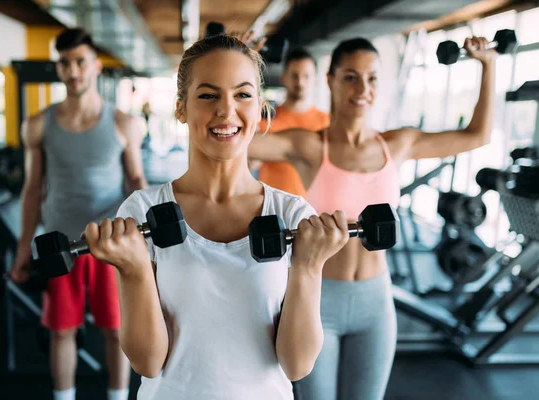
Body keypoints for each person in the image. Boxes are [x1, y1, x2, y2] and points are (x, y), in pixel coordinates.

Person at [81, 34, 351, 399]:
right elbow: (148, 363)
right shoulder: (142, 211)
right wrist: (134, 271)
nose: (226, 111)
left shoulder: (292, 214)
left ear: (260, 110)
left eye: (242, 95)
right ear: (181, 108)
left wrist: (308, 267)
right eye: (208, 95)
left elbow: (297, 365)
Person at [248, 36, 496, 400]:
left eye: (372, 78)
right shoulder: (310, 147)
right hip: (319, 300)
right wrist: (242, 65)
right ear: (330, 80)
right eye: (350, 77)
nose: (362, 88)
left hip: (376, 300)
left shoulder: (397, 144)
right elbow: (237, 141)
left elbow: (478, 135)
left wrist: (488, 65)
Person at [10, 28, 148, 400]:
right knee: (61, 330)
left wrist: (145, 243)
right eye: (65, 63)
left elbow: (136, 181)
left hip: (108, 242)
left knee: (117, 329)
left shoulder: (123, 123)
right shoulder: (38, 125)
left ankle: (118, 397)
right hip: (58, 244)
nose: (73, 71)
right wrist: (24, 249)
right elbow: (32, 190)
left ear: (96, 66)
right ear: (58, 67)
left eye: (80, 62)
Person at [255, 48, 330, 196]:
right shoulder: (266, 120)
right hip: (273, 208)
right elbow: (252, 163)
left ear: (315, 80)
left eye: (306, 76)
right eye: (294, 75)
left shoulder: (328, 122)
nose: (300, 82)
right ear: (284, 78)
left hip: (314, 210)